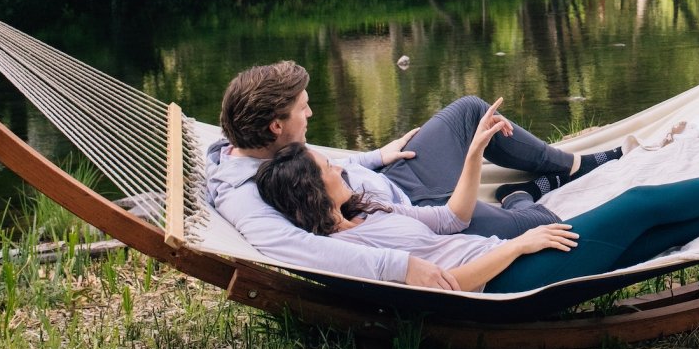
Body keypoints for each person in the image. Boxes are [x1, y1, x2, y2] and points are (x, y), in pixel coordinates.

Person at [253, 108, 699, 294]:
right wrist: (520, 242)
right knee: (642, 203)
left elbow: (452, 217)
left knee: (650, 239)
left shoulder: (368, 211)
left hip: (510, 255)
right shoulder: (352, 247)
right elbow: (454, 285)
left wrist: (475, 151)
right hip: (508, 280)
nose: (340, 164)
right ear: (311, 191)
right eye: (330, 167)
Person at [205, 60, 627, 290]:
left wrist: (374, 157)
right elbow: (303, 249)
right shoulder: (243, 194)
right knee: (543, 225)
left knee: (470, 110)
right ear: (275, 126)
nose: (311, 114)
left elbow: (330, 171)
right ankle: (521, 196)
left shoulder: (277, 148)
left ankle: (571, 165)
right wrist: (402, 265)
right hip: (415, 220)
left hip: (397, 180)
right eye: (303, 109)